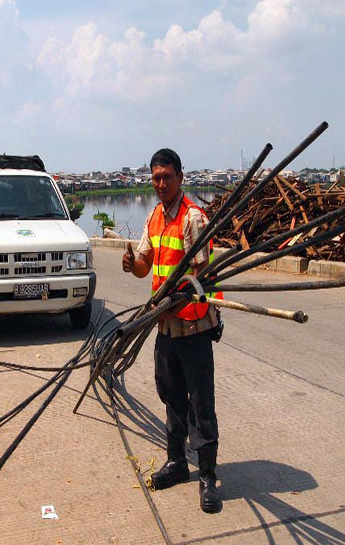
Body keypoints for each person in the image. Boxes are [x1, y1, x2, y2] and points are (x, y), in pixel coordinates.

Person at [121, 148, 223, 513]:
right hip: (165, 326)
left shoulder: (193, 217)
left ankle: (208, 476)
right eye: (156, 178)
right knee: (171, 395)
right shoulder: (155, 217)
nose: (161, 183)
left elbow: (203, 273)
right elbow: (145, 266)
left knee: (200, 402)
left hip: (193, 326)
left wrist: (180, 294)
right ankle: (178, 463)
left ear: (180, 177)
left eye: (167, 176)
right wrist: (132, 263)